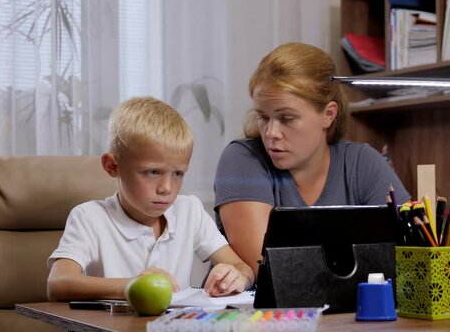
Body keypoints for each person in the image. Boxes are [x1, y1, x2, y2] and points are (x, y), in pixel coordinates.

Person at [214, 43, 411, 277]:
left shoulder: (363, 162)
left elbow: (408, 254)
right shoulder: (242, 159)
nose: (271, 132)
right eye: (263, 117)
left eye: (287, 118)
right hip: (259, 314)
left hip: (347, 311)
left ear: (328, 114)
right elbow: (268, 270)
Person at [47, 97, 254, 301]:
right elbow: (58, 284)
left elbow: (243, 269)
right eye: (152, 172)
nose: (166, 188)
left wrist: (237, 278)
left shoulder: (190, 210)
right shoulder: (89, 217)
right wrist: (132, 285)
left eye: (178, 174)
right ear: (112, 166)